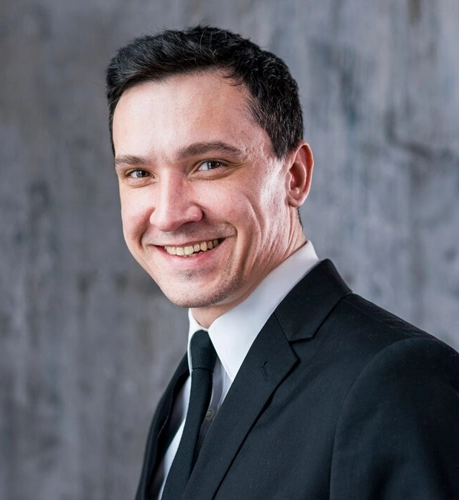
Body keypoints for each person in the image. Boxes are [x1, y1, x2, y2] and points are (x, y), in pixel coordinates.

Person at [106, 26, 459, 500]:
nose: (169, 215)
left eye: (209, 164)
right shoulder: (195, 382)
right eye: (139, 173)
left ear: (295, 176)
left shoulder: (396, 382)